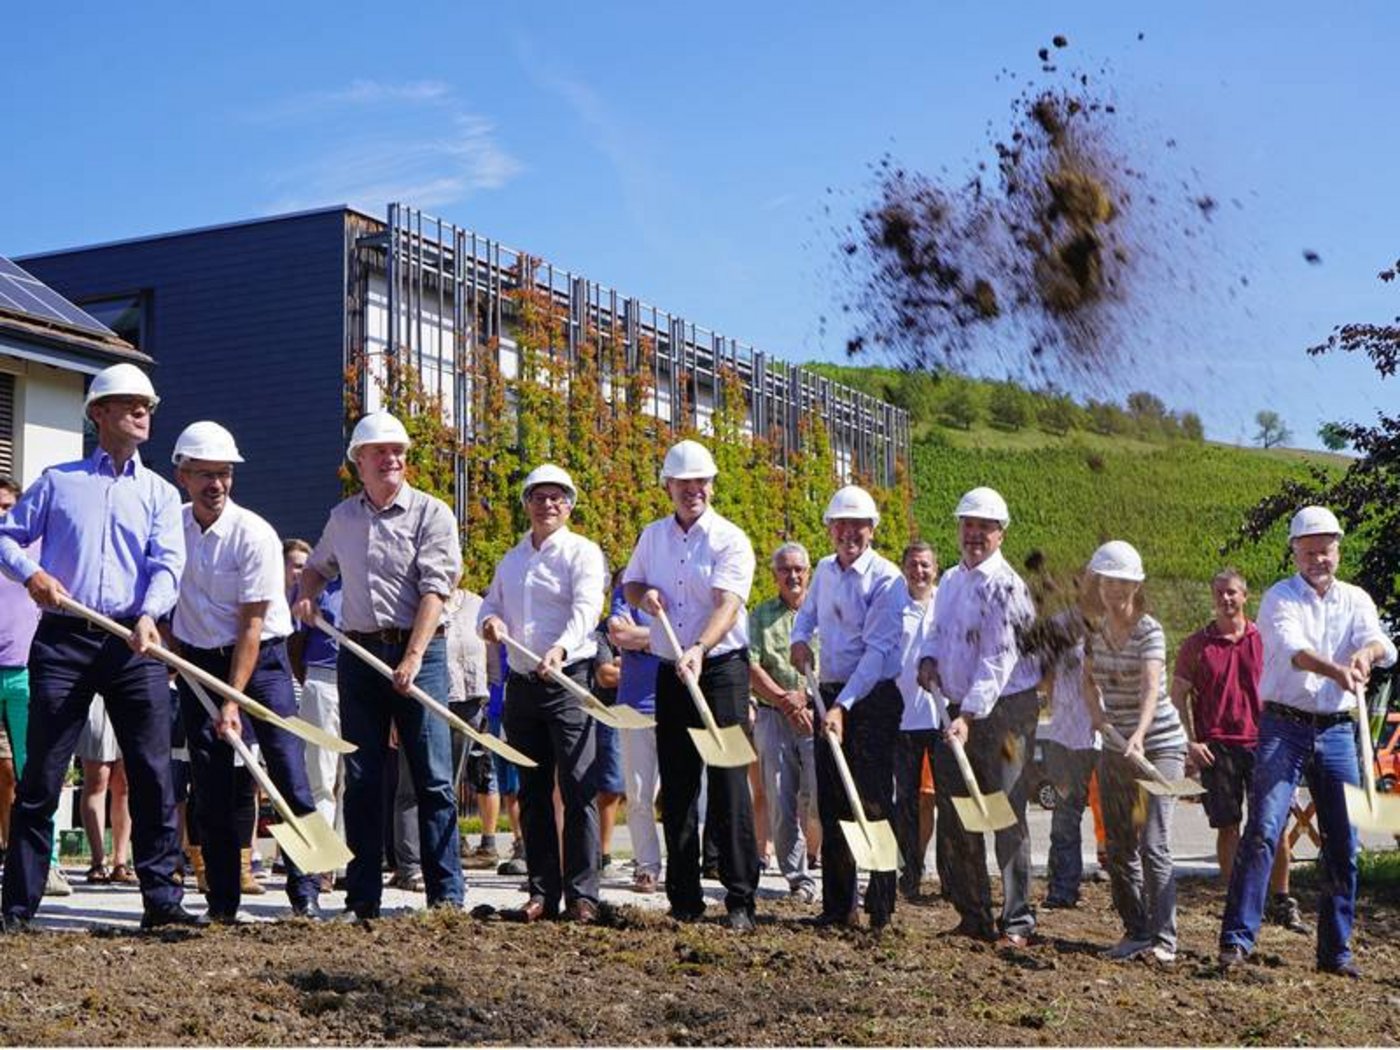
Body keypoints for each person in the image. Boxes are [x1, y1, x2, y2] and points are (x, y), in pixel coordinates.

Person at [0, 363, 193, 929]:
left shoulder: (159, 492)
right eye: (130, 404)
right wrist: (32, 575)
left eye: (147, 406)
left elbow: (167, 564)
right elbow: (5, 539)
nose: (142, 413)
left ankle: (163, 903)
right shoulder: (58, 482)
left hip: (135, 642)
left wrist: (153, 615)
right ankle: (15, 910)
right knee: (41, 776)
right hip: (63, 641)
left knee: (154, 775)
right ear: (99, 415)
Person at [292, 410, 464, 921]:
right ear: (359, 462)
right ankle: (362, 897)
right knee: (362, 777)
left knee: (432, 777)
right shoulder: (342, 518)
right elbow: (317, 567)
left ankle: (446, 897)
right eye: (381, 452)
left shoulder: (432, 514)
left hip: (422, 651)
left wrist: (412, 656)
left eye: (399, 452)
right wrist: (306, 596)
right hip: (359, 653)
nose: (393, 459)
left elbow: (438, 589)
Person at [1219, 507, 1396, 978]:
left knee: (1345, 842)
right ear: (1295, 551)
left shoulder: (1356, 599)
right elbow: (1293, 651)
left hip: (1339, 729)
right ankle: (1237, 942)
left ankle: (1335, 952)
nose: (1319, 559)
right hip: (1284, 727)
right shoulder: (1280, 598)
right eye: (1310, 551)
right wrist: (1337, 669)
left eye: (1327, 550)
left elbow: (1382, 642)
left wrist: (1366, 654)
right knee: (1264, 830)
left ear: (1338, 549)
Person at [169, 421, 321, 921]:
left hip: (263, 662)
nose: (216, 484)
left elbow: (252, 625)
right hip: (198, 663)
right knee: (208, 786)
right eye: (205, 474)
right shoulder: (171, 527)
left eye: (225, 474)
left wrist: (231, 702)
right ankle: (223, 901)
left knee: (287, 771)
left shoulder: (254, 533)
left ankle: (306, 890)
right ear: (183, 476)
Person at [624, 439, 758, 931]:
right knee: (678, 787)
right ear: (668, 487)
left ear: (711, 486)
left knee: (729, 785)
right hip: (670, 670)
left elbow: (729, 603)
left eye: (700, 481)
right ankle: (684, 900)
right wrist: (645, 596)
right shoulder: (653, 536)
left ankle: (741, 899)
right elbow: (631, 585)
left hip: (719, 669)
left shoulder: (729, 538)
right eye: (683, 483)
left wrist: (699, 648)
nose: (692, 490)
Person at [479, 464, 605, 923]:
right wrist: (489, 622)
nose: (547, 505)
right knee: (531, 792)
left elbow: (588, 607)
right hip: (522, 686)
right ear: (527, 503)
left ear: (569, 505)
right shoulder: (512, 560)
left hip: (569, 681)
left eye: (556, 498)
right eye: (538, 497)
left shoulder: (582, 553)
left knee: (578, 789)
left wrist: (561, 647)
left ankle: (583, 895)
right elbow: (492, 603)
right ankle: (541, 893)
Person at [917, 486, 1039, 949]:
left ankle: (1018, 920)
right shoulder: (949, 580)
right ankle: (973, 914)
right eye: (968, 525)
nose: (974, 534)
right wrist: (928, 659)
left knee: (1005, 812)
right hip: (957, 707)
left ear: (1001, 534)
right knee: (958, 810)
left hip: (1005, 711)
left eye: (984, 527)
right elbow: (937, 631)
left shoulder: (1006, 587)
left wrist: (968, 714)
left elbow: (997, 660)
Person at [791, 485, 903, 931]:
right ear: (830, 529)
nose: (848, 533)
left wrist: (843, 707)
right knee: (834, 802)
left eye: (857, 526)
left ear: (871, 530)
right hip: (831, 692)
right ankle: (839, 908)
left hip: (872, 699)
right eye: (840, 525)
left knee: (873, 802)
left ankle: (880, 906)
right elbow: (808, 613)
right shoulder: (824, 569)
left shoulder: (887, 580)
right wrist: (800, 637)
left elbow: (876, 654)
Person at [1172, 568, 1307, 933]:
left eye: (1232, 592)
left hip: (1266, 742)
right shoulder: (1196, 646)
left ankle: (1281, 899)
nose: (1226, 599)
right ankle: (1238, 899)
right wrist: (1189, 740)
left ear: (1245, 597)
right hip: (1217, 747)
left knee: (1274, 826)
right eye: (1219, 593)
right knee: (1228, 827)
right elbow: (1177, 694)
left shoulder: (1266, 640)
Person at [1082, 540, 1188, 964]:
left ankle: (1165, 939)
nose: (1114, 589)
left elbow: (1150, 687)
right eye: (1107, 581)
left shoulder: (1150, 630)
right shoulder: (1094, 631)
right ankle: (1136, 930)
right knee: (1119, 843)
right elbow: (1086, 682)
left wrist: (1140, 733)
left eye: (1122, 582)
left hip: (1158, 744)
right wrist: (1099, 720)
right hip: (1114, 744)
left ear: (1135, 586)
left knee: (1154, 843)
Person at [748, 542, 820, 905]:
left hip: (816, 714)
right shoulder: (759, 616)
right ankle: (798, 878)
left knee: (819, 794)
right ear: (775, 575)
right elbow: (752, 665)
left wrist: (805, 697)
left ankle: (832, 864)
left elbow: (835, 660)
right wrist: (784, 699)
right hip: (774, 716)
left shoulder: (824, 613)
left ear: (808, 572)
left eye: (799, 569)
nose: (793, 576)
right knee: (780, 796)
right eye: (785, 570)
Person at [1038, 587, 1100, 910]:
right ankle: (1062, 888)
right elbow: (1043, 675)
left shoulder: (1118, 623)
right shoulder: (1060, 626)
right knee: (1064, 815)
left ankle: (1127, 892)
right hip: (1065, 734)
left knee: (1119, 818)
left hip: (1108, 736)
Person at [891, 540, 942, 901]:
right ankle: (910, 870)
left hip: (941, 717)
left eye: (925, 565)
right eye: (913, 565)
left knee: (943, 800)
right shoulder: (894, 607)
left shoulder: (946, 605)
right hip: (902, 718)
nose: (918, 571)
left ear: (934, 569)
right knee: (905, 802)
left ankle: (952, 876)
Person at [607, 583, 664, 893]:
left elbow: (688, 636)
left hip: (675, 703)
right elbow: (619, 635)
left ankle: (685, 866)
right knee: (639, 793)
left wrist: (639, 639)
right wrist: (662, 638)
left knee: (682, 796)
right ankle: (647, 866)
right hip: (634, 705)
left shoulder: (679, 586)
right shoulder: (625, 592)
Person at [0, 475, 40, 876]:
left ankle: (45, 862)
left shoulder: (33, 556)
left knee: (32, 770)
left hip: (26, 672)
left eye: (7, 507)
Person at [445, 587, 500, 870]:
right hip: (443, 697)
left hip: (476, 698)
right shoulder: (426, 601)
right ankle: (451, 841)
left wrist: (492, 689)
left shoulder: (478, 604)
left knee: (483, 771)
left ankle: (488, 843)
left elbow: (491, 653)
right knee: (447, 774)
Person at [76, 697, 133, 885]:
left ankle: (121, 862)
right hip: (95, 696)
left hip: (129, 694)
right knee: (97, 780)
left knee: (124, 784)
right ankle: (98, 861)